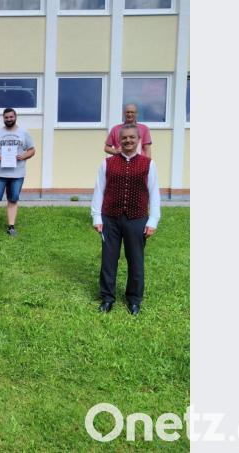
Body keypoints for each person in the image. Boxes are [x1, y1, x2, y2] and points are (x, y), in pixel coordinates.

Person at [91, 124, 161, 316]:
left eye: (132, 137)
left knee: (136, 260)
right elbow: (99, 190)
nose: (128, 141)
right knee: (108, 260)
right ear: (118, 141)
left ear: (139, 140)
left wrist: (153, 220)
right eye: (124, 138)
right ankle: (107, 298)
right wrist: (97, 216)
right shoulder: (107, 163)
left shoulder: (148, 164)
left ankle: (134, 299)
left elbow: (154, 193)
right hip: (110, 218)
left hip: (137, 218)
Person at [0, 108, 36, 238]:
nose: (9, 119)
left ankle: (11, 227)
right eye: (6, 117)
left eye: (11, 117)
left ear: (15, 117)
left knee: (13, 200)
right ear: (3, 118)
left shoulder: (24, 133)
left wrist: (24, 156)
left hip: (17, 174)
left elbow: (32, 150)